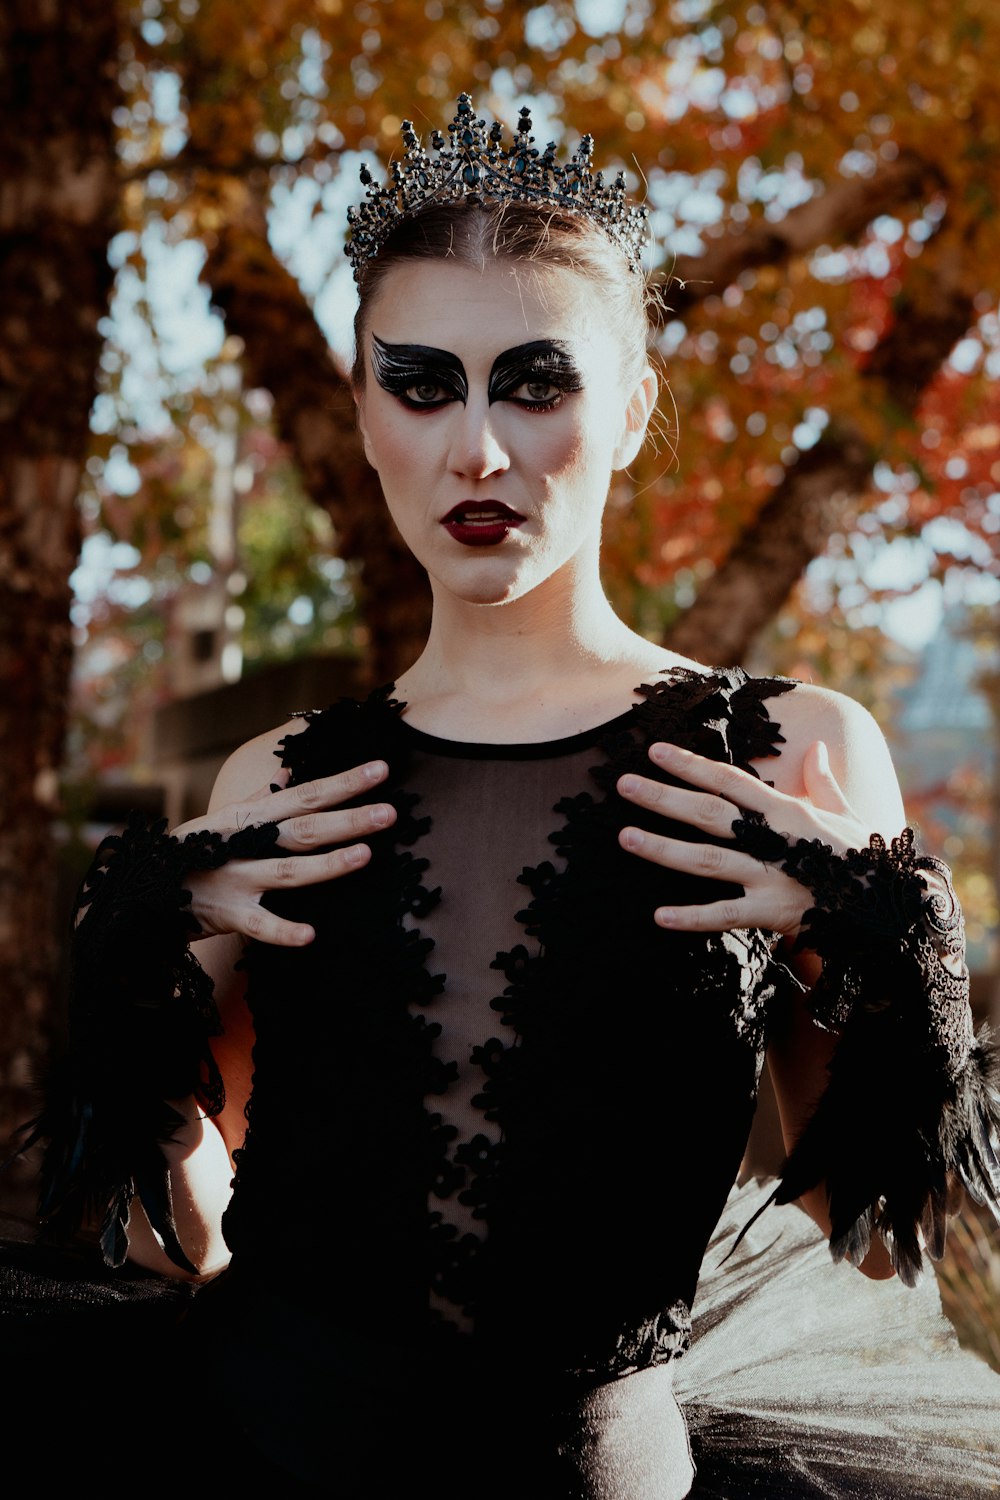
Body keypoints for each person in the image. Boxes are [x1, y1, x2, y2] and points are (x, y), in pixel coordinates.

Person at [18, 96, 1000, 1497]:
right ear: (363, 409)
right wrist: (130, 984)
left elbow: (878, 1243)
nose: (478, 448)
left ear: (633, 405)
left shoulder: (793, 752)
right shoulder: (279, 778)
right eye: (422, 383)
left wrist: (895, 955)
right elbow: (193, 1236)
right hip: (258, 1454)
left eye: (536, 382)